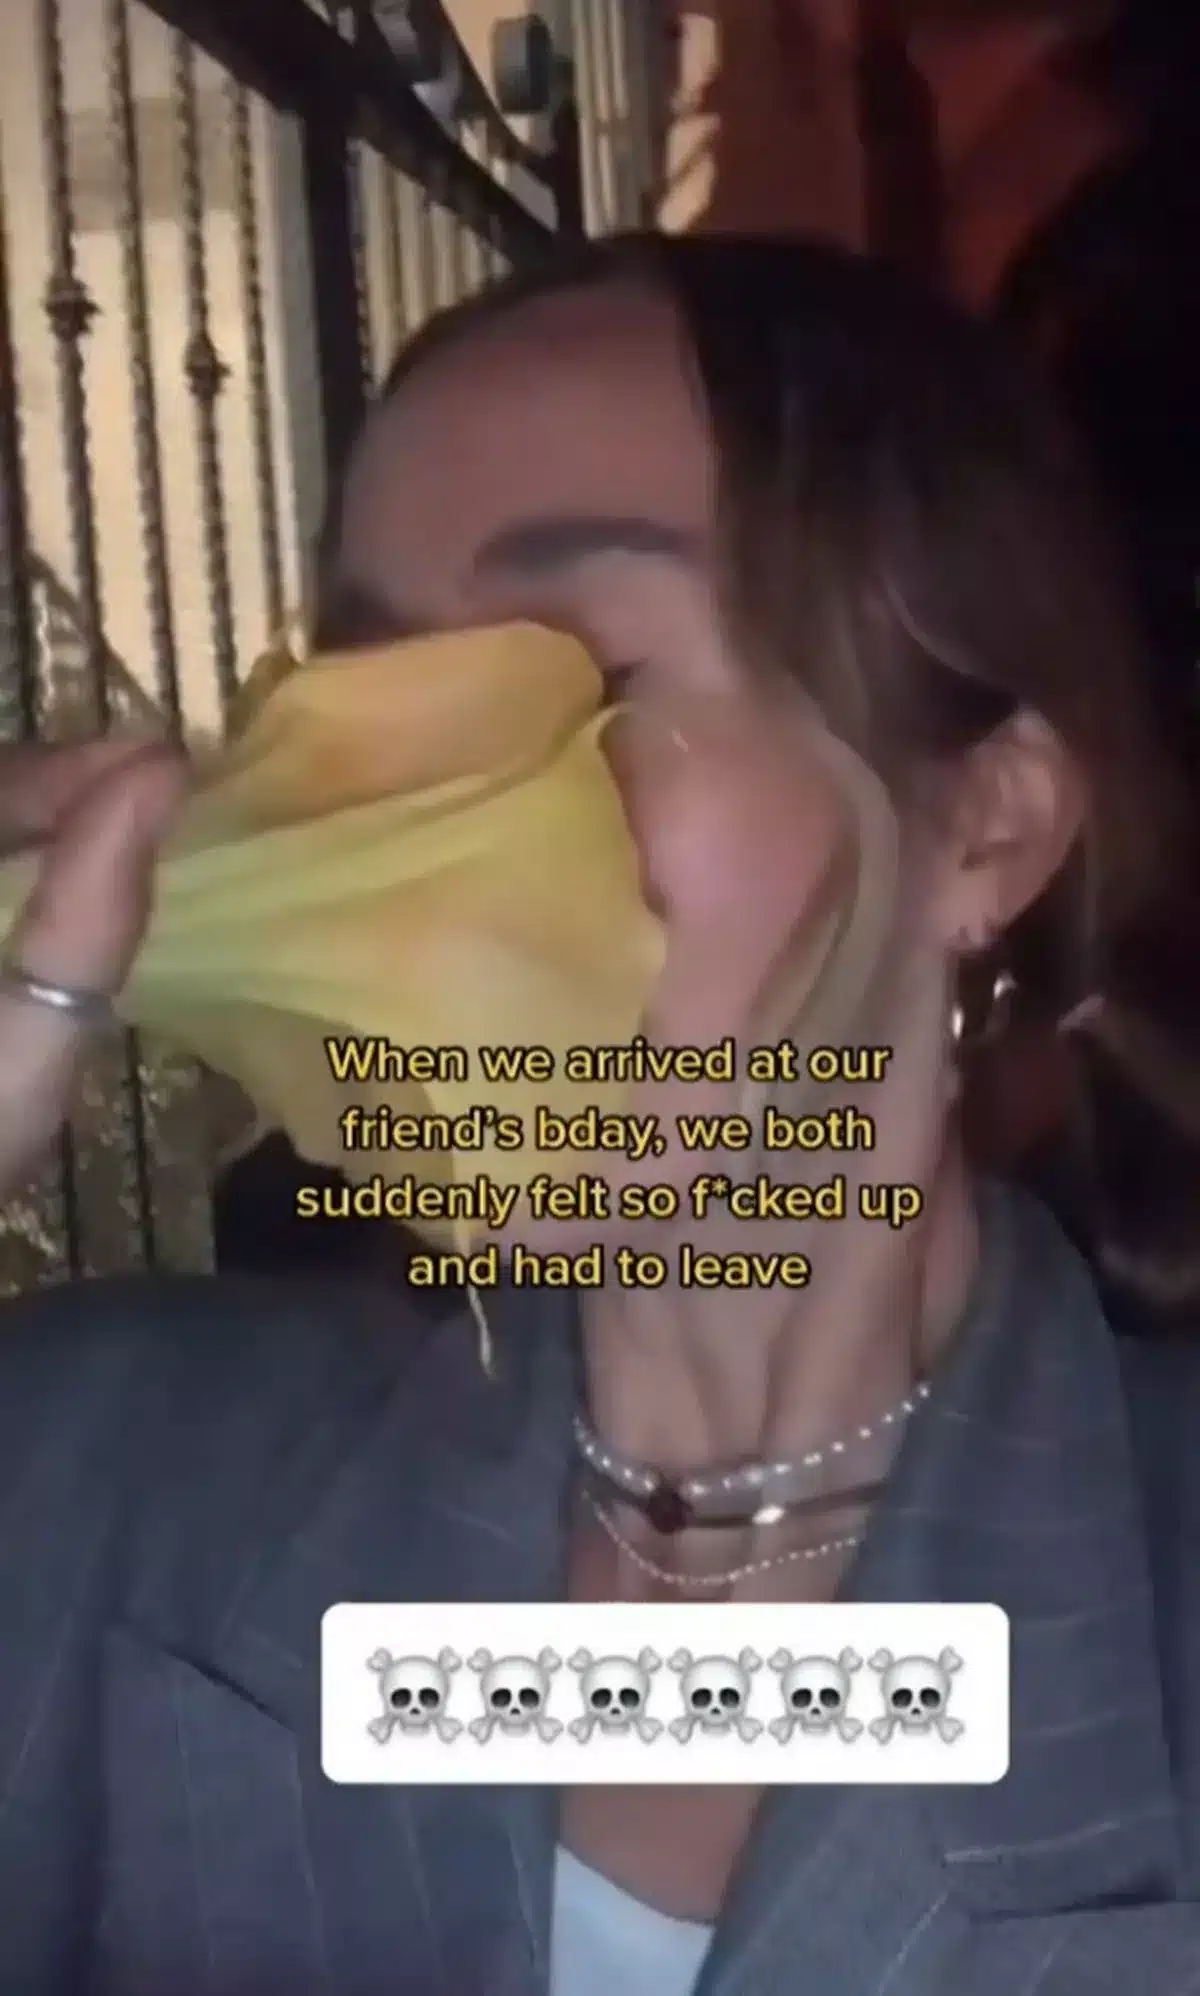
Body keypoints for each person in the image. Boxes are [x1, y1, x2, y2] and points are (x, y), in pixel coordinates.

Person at [1, 233, 1200, 1996]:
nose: (414, 834)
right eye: (366, 701)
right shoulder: (87, 1474)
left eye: (570, 680)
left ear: (986, 831)